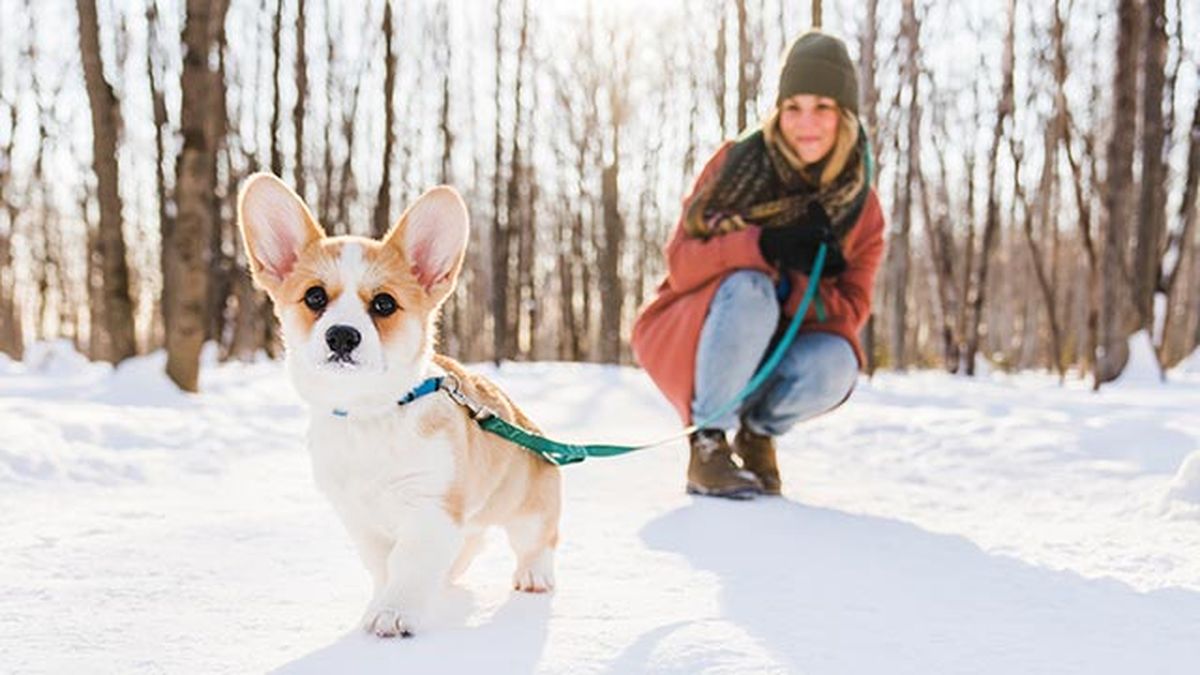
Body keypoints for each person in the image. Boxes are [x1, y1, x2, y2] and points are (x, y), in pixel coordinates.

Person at [631, 30, 886, 499]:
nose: (805, 123)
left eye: (822, 107)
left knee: (838, 362)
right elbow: (681, 263)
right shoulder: (737, 164)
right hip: (702, 331)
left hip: (784, 345)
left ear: (845, 115)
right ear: (778, 111)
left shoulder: (860, 206)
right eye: (793, 107)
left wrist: (795, 284)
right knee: (751, 287)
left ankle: (757, 435)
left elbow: (852, 309)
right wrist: (762, 248)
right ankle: (708, 441)